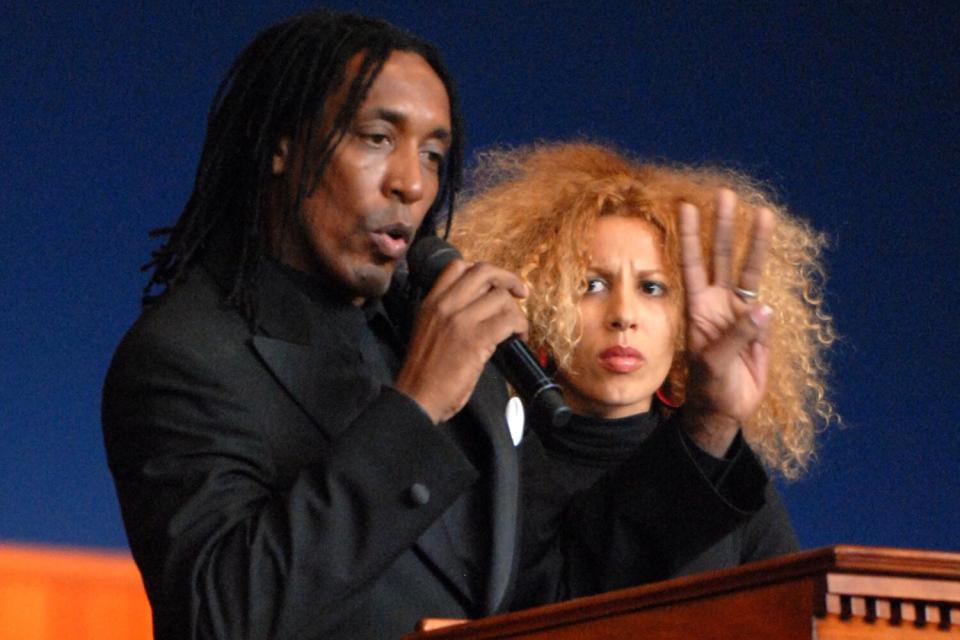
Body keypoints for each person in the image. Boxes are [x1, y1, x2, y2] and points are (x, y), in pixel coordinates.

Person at [102, 10, 532, 639]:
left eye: (434, 154)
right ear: (282, 143)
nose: (413, 182)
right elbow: (218, 619)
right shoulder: (185, 355)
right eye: (376, 138)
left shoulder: (425, 331)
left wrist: (706, 429)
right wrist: (416, 406)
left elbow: (546, 576)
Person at [450, 141, 836, 608]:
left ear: (683, 319)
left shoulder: (724, 473)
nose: (624, 315)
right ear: (539, 304)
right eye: (591, 285)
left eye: (653, 288)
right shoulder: (494, 466)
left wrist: (712, 421)